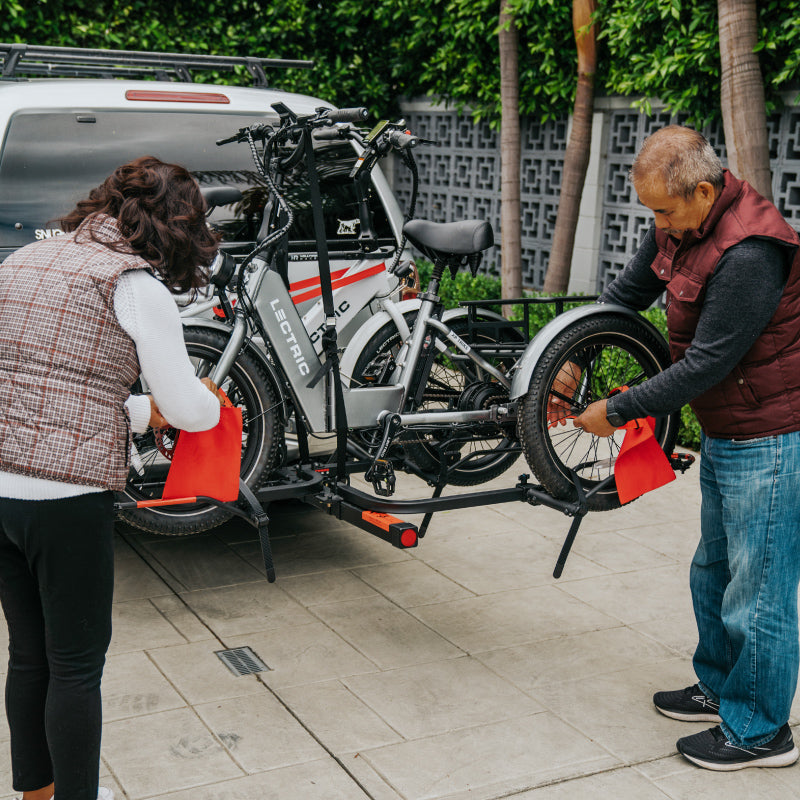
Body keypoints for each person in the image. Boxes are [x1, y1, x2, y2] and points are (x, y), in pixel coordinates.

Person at [558, 125, 800, 771]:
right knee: (713, 572)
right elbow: (624, 299)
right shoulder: (680, 224)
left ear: (703, 189)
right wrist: (571, 362)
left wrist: (619, 410)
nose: (656, 223)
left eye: (664, 210)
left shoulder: (751, 250)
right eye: (651, 213)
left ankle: (760, 733)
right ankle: (721, 688)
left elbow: (709, 364)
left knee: (762, 589)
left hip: (771, 437)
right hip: (728, 430)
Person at [0, 156, 225, 800]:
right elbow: (188, 409)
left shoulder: (24, 259)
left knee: (29, 656)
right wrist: (207, 399)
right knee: (75, 668)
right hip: (66, 500)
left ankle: (34, 796)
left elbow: (48, 377)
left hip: (0, 489)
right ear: (177, 228)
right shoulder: (133, 284)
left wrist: (134, 407)